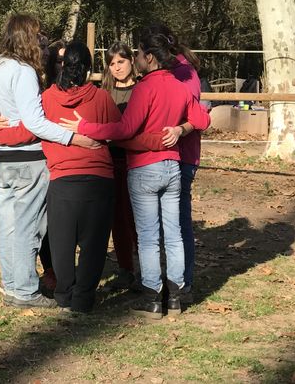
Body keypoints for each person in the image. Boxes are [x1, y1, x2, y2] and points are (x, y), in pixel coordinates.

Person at [58, 28, 211, 319]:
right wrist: (180, 129)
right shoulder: (179, 86)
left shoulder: (145, 88)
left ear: (149, 58)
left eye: (139, 54)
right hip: (172, 166)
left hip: (144, 168)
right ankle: (175, 296)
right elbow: (202, 118)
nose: (137, 58)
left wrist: (85, 128)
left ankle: (152, 297)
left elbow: (124, 129)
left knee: (149, 235)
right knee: (174, 234)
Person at [0, 42, 119, 312]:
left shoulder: (46, 98)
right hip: (98, 177)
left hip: (61, 177)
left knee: (61, 242)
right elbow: (120, 129)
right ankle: (83, 298)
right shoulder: (102, 98)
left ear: (62, 66)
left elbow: (28, 128)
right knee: (94, 243)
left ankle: (63, 294)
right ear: (88, 69)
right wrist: (90, 131)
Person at [144, 23, 209, 300]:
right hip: (164, 155)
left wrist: (180, 129)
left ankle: (183, 284)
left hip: (181, 156)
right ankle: (165, 281)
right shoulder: (165, 72)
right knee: (166, 224)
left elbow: (198, 115)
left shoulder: (183, 73)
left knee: (177, 223)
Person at [101, 42, 139, 289]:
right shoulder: (104, 93)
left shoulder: (142, 90)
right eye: (112, 63)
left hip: (136, 161)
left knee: (137, 218)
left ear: (131, 61)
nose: (117, 67)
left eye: (121, 62)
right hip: (110, 161)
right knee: (117, 219)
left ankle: (146, 268)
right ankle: (126, 268)